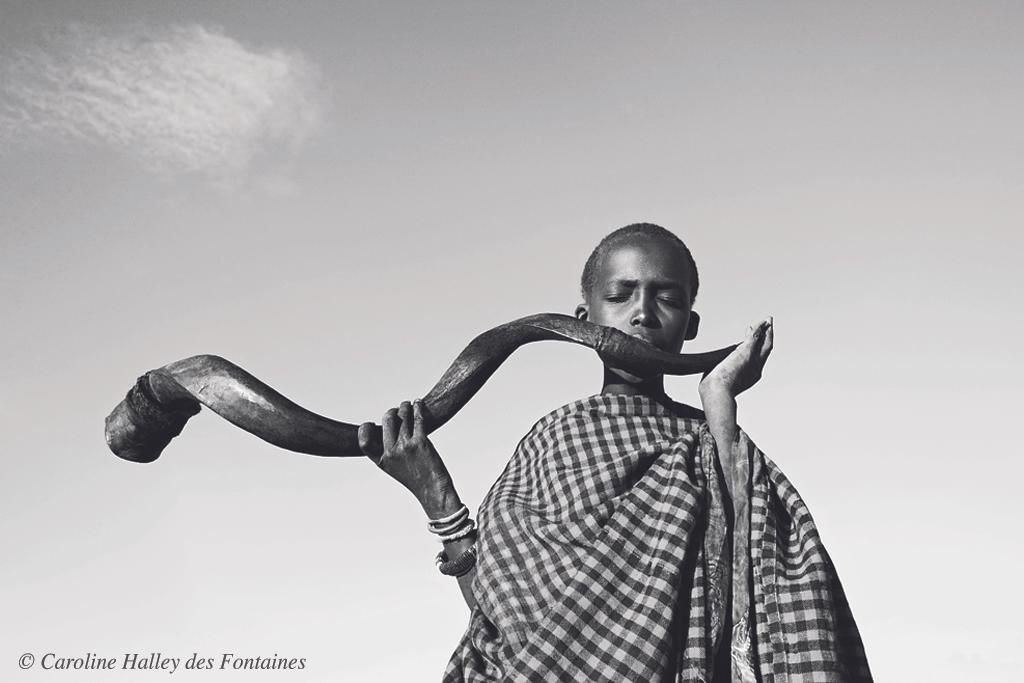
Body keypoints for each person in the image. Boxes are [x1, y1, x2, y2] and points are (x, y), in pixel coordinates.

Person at [358, 223, 871, 681]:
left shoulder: (711, 444)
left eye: (666, 299)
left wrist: (718, 399)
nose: (642, 315)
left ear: (690, 324)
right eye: (621, 296)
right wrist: (437, 497)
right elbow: (504, 621)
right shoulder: (554, 439)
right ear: (585, 319)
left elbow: (750, 598)